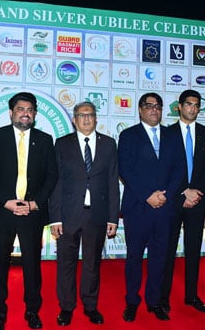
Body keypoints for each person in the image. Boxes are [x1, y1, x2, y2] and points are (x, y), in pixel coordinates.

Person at [0, 92, 58, 330]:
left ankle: (32, 310)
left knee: (32, 265)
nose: (26, 113)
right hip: (3, 210)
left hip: (32, 212)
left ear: (35, 114)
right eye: (21, 109)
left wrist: (35, 203)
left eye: (30, 110)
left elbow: (52, 175)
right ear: (11, 112)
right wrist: (6, 201)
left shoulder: (45, 140)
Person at [49, 101, 120, 326]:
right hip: (68, 215)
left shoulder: (108, 144)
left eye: (90, 114)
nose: (86, 119)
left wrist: (113, 217)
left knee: (92, 263)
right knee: (66, 263)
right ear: (74, 120)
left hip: (97, 215)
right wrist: (55, 218)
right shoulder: (62, 144)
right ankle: (66, 307)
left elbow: (112, 182)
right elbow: (56, 183)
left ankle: (90, 306)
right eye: (81, 115)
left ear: (96, 118)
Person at [118, 92, 185, 322]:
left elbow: (180, 169)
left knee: (160, 258)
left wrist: (166, 195)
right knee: (134, 258)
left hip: (165, 208)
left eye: (157, 106)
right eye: (148, 105)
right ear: (140, 109)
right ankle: (131, 301)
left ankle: (154, 301)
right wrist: (147, 195)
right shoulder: (128, 135)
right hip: (138, 207)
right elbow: (125, 169)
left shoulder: (172, 136)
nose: (154, 109)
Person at [160, 90, 205, 314]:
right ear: (179, 107)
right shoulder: (166, 133)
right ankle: (163, 298)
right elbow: (165, 168)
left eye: (196, 105)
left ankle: (192, 296)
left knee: (194, 251)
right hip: (174, 200)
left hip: (198, 201)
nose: (192, 108)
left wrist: (196, 193)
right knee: (167, 251)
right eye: (189, 104)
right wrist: (184, 191)